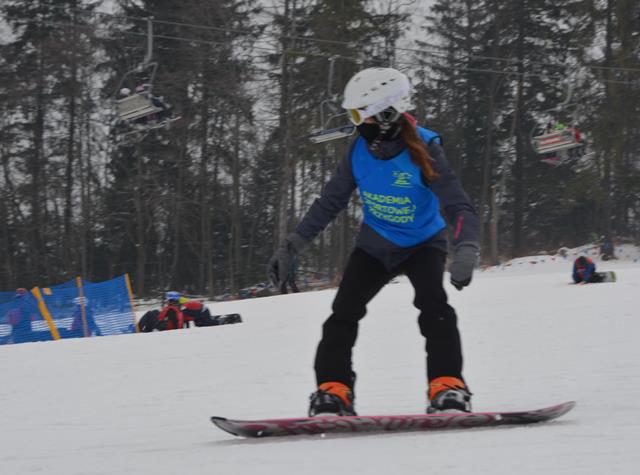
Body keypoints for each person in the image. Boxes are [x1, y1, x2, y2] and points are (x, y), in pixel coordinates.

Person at [268, 67, 480, 416]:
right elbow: (330, 202)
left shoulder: (425, 148)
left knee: (435, 308)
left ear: (386, 115)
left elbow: (458, 205)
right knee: (343, 313)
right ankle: (333, 391)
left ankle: (448, 386)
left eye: (360, 115)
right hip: (376, 245)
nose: (356, 124)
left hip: (423, 244)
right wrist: (292, 246)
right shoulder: (358, 151)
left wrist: (466, 248)